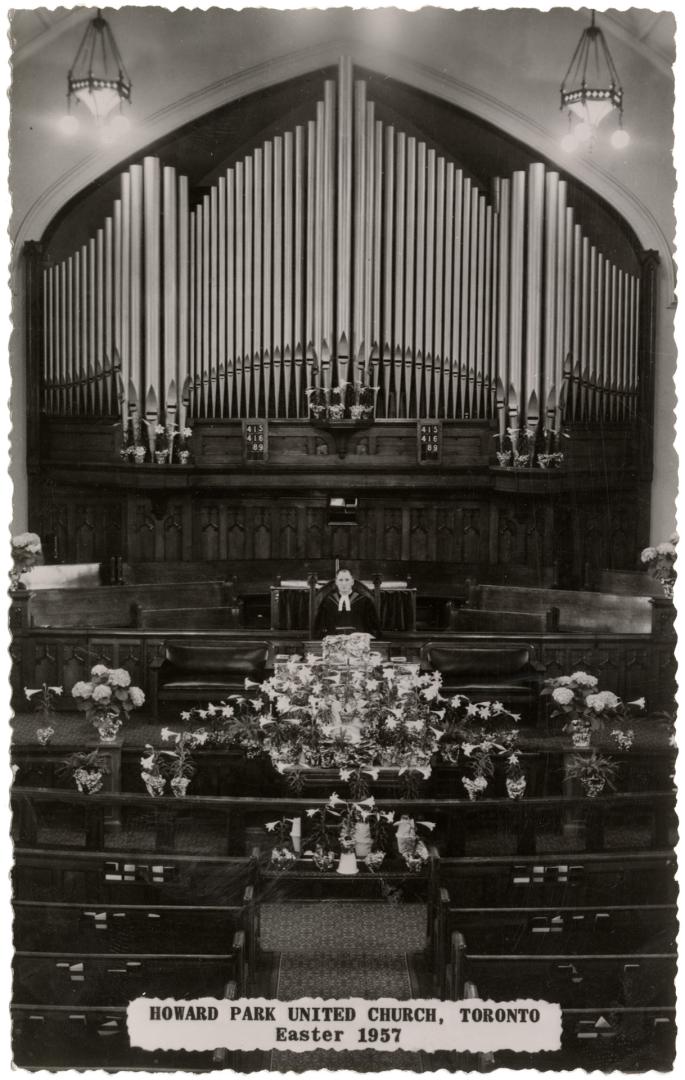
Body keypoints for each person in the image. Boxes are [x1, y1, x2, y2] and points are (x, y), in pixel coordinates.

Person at [313, 567, 381, 638]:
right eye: (341, 580)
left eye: (347, 580)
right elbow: (319, 628)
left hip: (357, 643)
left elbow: (374, 628)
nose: (344, 583)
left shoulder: (364, 601)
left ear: (352, 582)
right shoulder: (327, 601)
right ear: (336, 582)